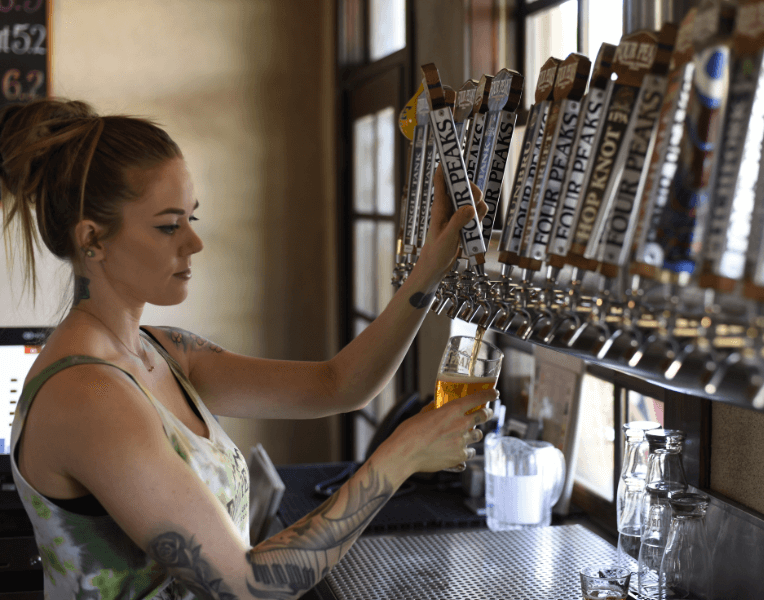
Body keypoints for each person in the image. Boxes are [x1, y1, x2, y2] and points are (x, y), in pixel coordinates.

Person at [1, 98, 494, 599]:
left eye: (192, 218)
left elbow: (340, 384)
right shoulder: (87, 395)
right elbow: (246, 587)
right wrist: (400, 456)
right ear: (93, 240)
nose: (193, 242)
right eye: (169, 225)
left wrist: (431, 267)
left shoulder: (165, 352)